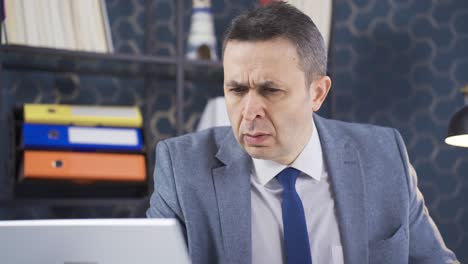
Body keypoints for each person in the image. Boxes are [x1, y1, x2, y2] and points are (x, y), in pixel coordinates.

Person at [147, 2, 459, 264]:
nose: (249, 111)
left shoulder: (384, 156)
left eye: (270, 90)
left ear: (317, 93)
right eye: (237, 89)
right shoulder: (182, 168)